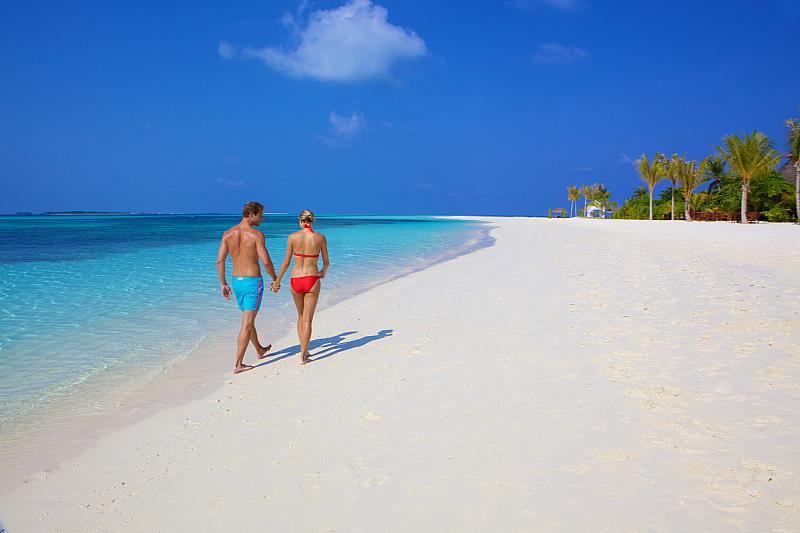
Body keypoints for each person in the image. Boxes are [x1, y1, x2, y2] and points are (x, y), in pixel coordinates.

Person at [216, 201, 278, 374]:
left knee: (247, 319)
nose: (262, 219)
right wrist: (275, 278)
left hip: (237, 282)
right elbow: (266, 261)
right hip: (252, 282)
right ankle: (238, 364)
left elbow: (220, 261)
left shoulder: (228, 234)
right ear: (251, 214)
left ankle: (259, 349)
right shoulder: (256, 235)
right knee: (247, 323)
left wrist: (223, 283)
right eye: (260, 215)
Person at [274, 210, 330, 364]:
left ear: (300, 221)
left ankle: (303, 349)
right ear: (312, 221)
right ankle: (303, 354)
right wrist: (323, 272)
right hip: (312, 278)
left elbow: (286, 263)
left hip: (296, 279)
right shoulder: (320, 237)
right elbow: (326, 262)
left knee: (300, 315)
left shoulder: (292, 237)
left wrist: (277, 281)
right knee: (308, 320)